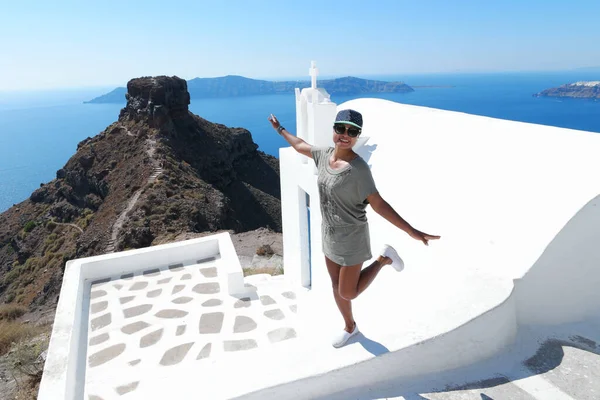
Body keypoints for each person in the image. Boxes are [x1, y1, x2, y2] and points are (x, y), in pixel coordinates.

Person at [268, 109, 440, 348]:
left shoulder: (359, 170)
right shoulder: (323, 155)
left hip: (352, 237)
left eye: (352, 131)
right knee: (335, 286)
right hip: (329, 234)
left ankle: (383, 259)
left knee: (348, 292)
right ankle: (350, 327)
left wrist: (411, 231)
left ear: (358, 136)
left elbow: (379, 204)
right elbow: (299, 145)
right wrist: (279, 129)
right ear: (334, 130)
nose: (345, 135)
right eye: (341, 129)